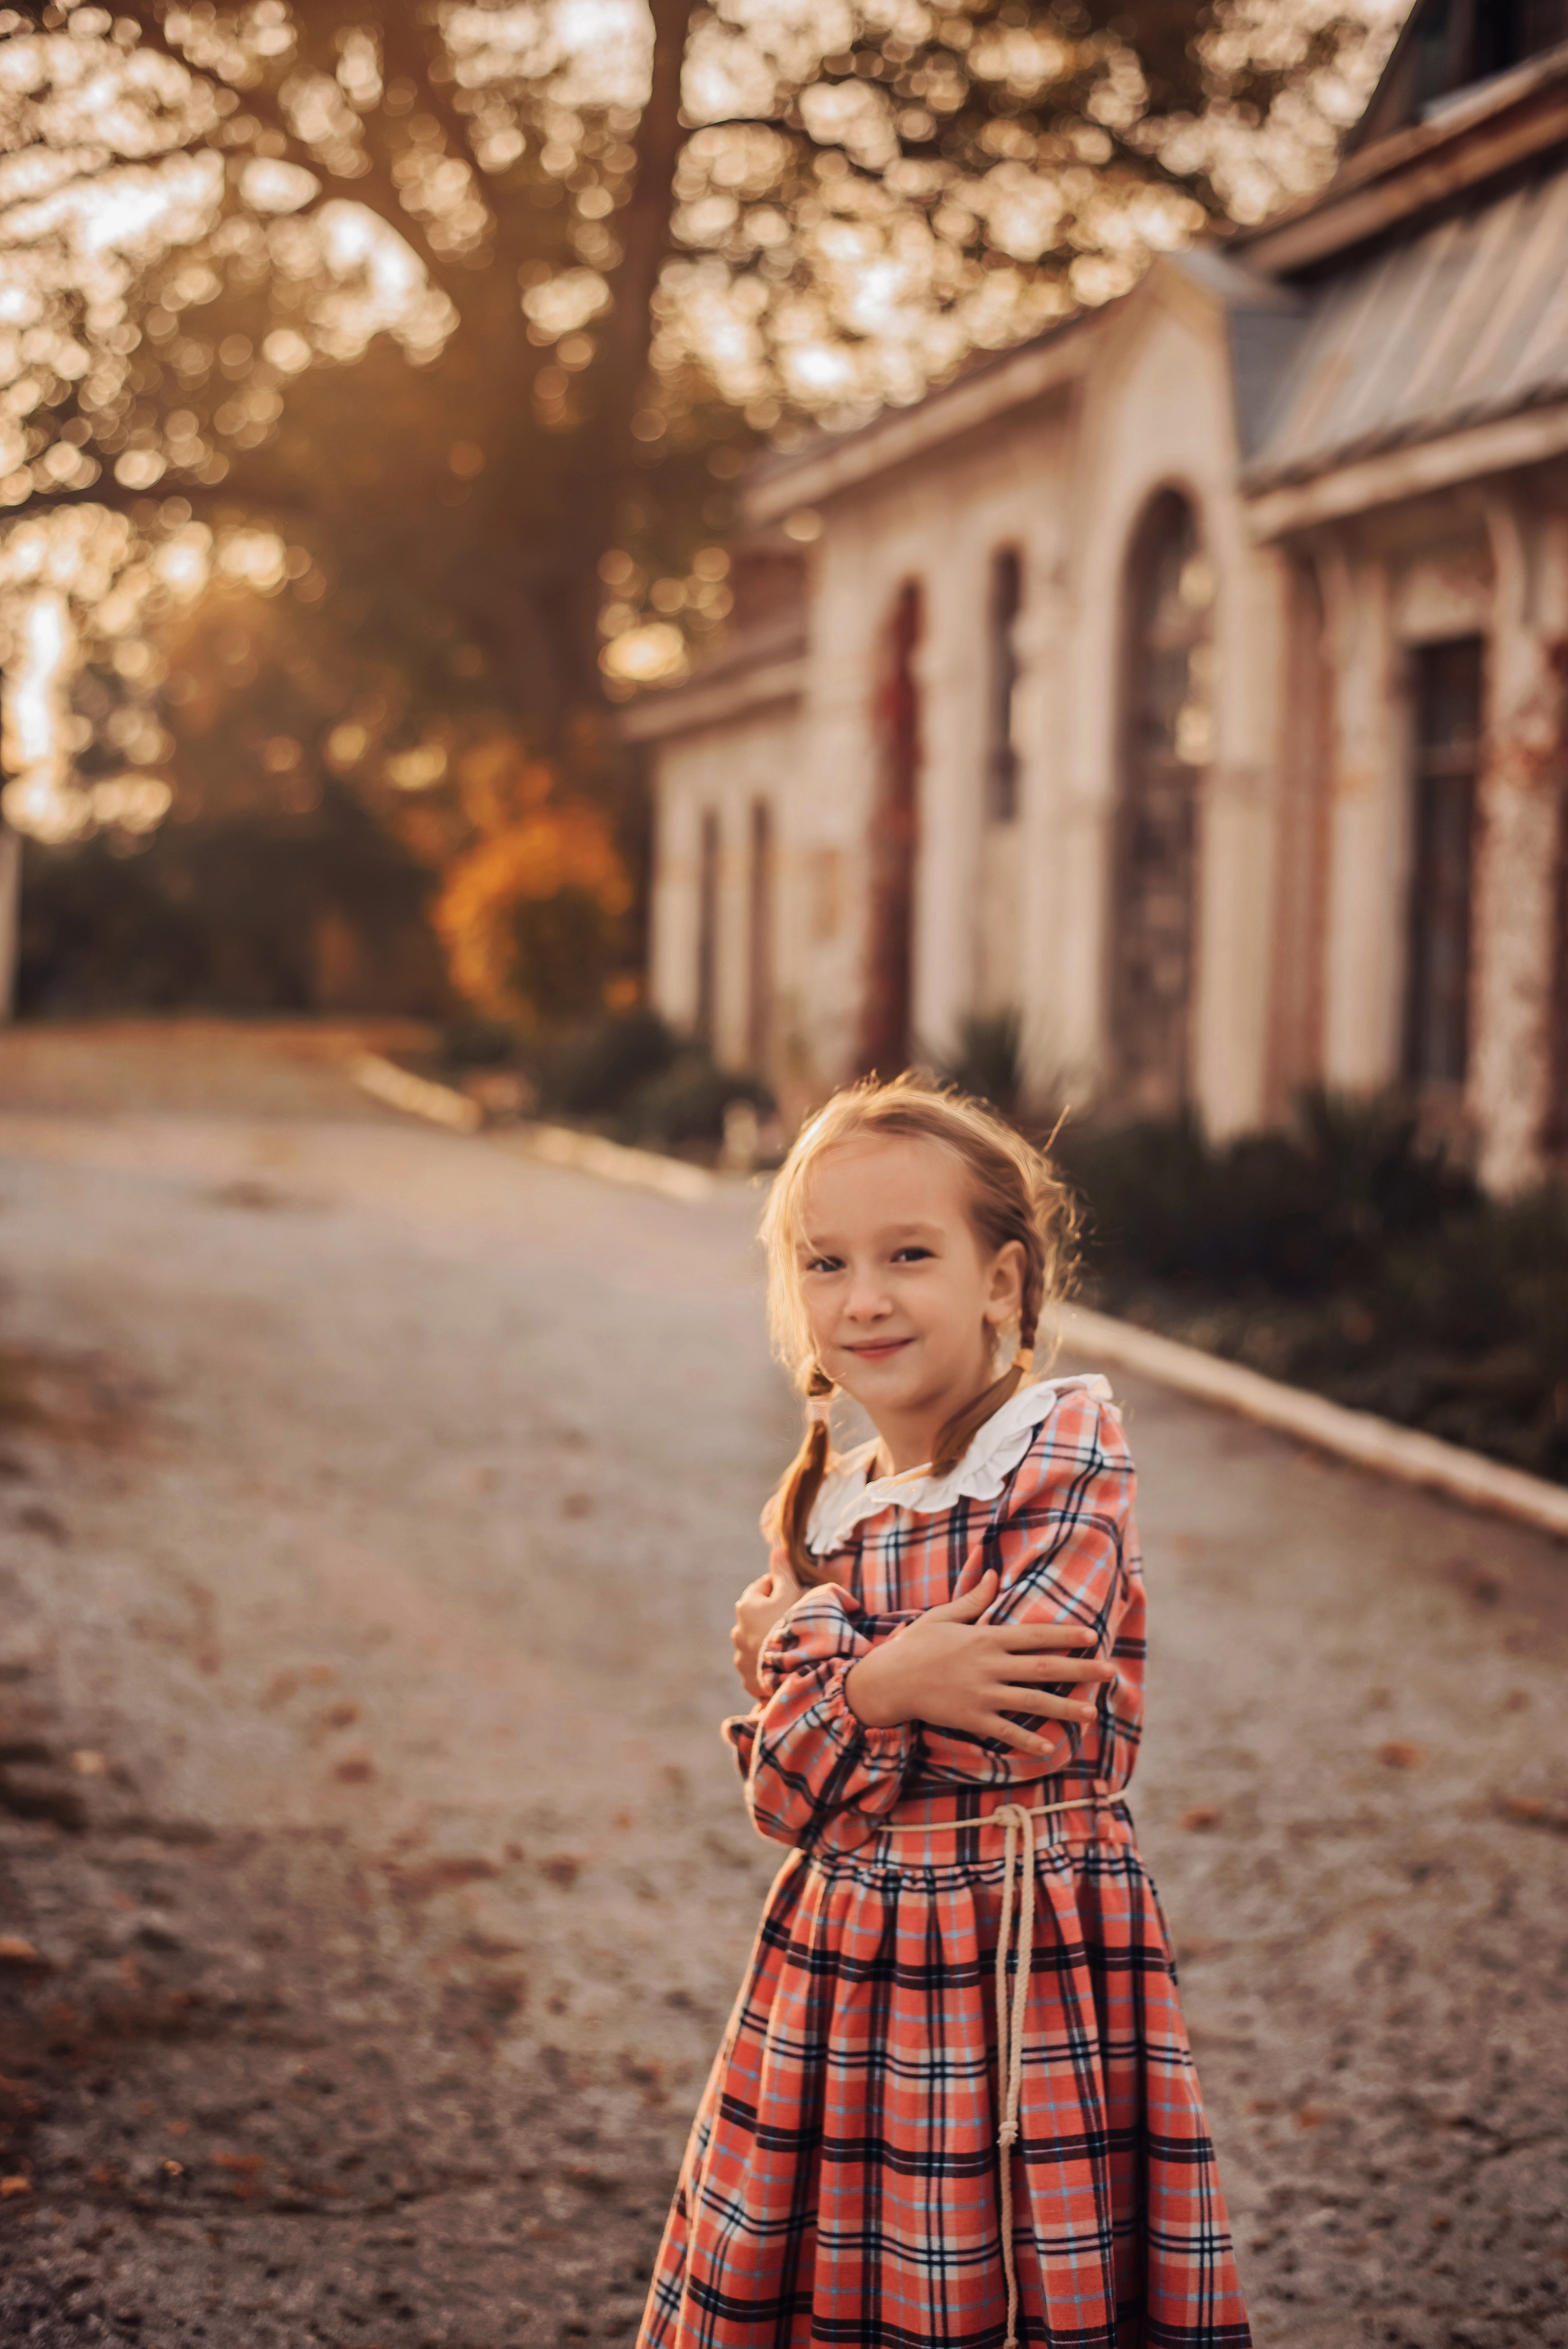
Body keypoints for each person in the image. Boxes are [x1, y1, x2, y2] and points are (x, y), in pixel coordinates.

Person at [638, 1074, 1251, 2349]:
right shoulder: (818, 1514)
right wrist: (880, 1679)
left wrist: (825, 1666)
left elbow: (1019, 1693)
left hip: (1030, 1948)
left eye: (907, 1254)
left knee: (1014, 2264)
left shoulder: (1062, 1447)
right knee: (841, 2266)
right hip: (841, 1973)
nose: (862, 1297)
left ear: (1001, 1283)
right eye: (824, 1264)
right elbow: (785, 1794)